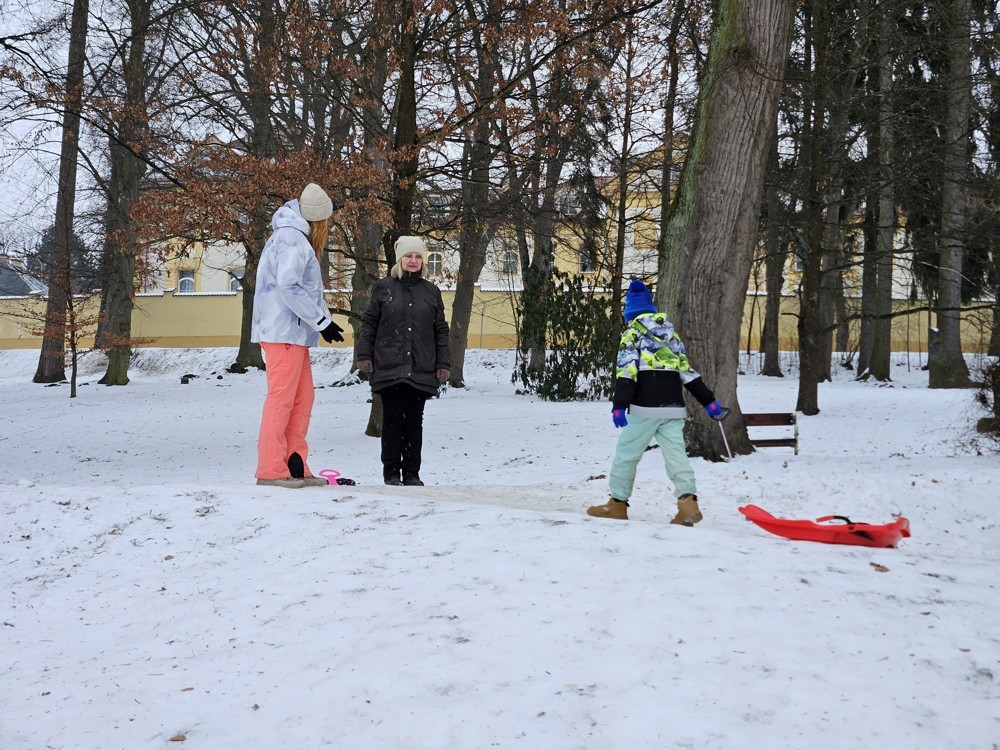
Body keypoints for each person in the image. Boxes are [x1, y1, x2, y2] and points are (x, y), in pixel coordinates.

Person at [587, 279, 729, 524]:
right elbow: (686, 373)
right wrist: (709, 401)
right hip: (673, 408)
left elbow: (627, 371)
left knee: (626, 454)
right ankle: (688, 503)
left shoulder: (632, 334)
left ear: (630, 314)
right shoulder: (671, 336)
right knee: (676, 455)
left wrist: (619, 405)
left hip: (644, 407)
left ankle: (617, 504)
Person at [251, 183, 345, 489]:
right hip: (283, 332)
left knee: (302, 398)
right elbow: (289, 287)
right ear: (319, 219)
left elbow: (307, 290)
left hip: (294, 333)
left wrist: (324, 322)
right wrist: (321, 322)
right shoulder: (290, 238)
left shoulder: (295, 238)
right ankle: (270, 469)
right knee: (282, 399)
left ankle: (294, 464)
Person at [356, 235, 450, 486]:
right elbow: (370, 323)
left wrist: (443, 363)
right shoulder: (383, 288)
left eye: (418, 256)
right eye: (409, 256)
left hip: (421, 366)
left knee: (414, 422)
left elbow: (440, 329)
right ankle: (391, 473)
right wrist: (364, 355)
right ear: (400, 259)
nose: (413, 260)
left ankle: (411, 473)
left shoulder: (431, 292)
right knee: (392, 420)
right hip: (389, 365)